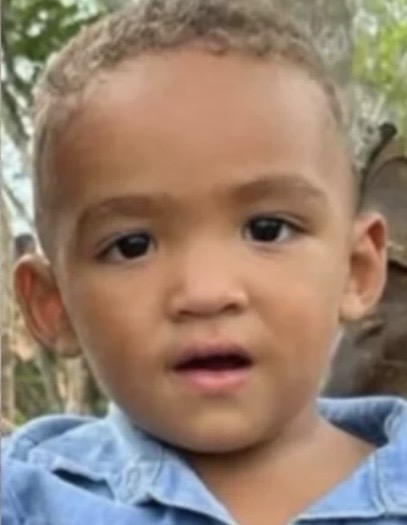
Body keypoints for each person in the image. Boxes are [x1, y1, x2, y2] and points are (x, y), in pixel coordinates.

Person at [3, 1, 406, 524]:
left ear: (357, 270)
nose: (206, 292)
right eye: (132, 246)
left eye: (267, 230)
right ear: (53, 305)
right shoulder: (29, 499)